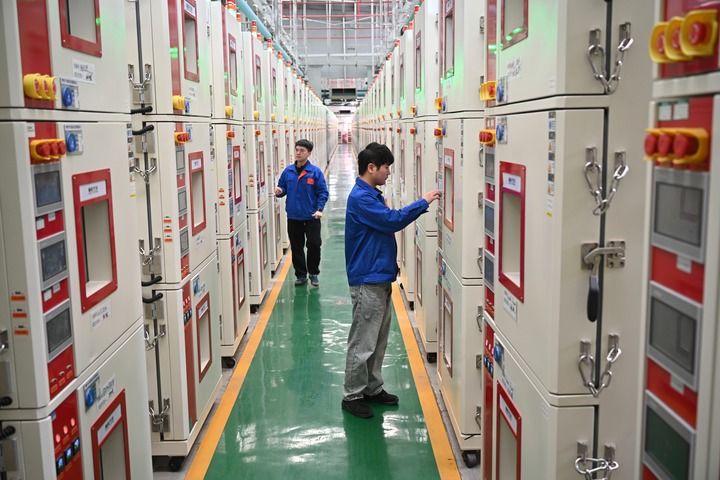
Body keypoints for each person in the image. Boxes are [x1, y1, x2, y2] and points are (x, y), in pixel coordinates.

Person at [342, 142, 441, 418]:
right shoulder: (361, 198)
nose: (388, 172)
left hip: (380, 275)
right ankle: (352, 395)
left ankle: (372, 388)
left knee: (378, 339)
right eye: (386, 167)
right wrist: (423, 202)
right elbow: (391, 221)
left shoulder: (371, 195)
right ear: (371, 167)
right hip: (368, 278)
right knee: (363, 341)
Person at [275, 139, 329, 287]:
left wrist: (319, 209)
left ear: (309, 153)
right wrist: (279, 191)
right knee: (296, 246)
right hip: (294, 216)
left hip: (312, 216)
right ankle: (301, 275)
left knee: (314, 244)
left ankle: (313, 273)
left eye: (302, 150)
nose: (298, 153)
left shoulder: (315, 172)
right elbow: (282, 188)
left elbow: (323, 192)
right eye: (297, 150)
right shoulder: (288, 171)